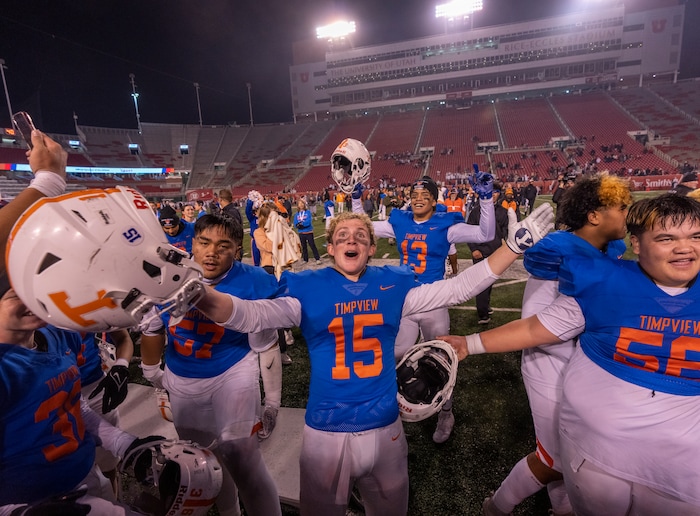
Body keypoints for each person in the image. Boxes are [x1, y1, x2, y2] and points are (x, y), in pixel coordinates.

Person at [193, 204, 554, 516]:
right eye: (344, 235)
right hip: (327, 432)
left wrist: (511, 247)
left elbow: (457, 288)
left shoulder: (392, 285)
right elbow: (248, 315)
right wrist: (197, 292)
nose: (352, 240)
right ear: (331, 247)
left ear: (371, 247)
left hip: (385, 427)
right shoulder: (306, 288)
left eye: (361, 236)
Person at [442, 194, 700, 515]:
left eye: (695, 236)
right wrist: (469, 344)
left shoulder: (608, 262)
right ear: (638, 242)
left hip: (678, 466)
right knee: (556, 464)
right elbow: (539, 327)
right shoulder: (603, 278)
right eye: (666, 238)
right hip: (594, 450)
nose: (684, 247)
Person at [0, 130, 162, 515]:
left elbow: (70, 407)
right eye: (11, 293)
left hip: (82, 476)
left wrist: (123, 444)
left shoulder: (51, 330)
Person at [479, 173, 632, 516]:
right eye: (621, 207)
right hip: (548, 357)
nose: (628, 213)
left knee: (576, 451)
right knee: (557, 457)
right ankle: (497, 505)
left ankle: (562, 507)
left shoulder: (611, 248)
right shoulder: (558, 248)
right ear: (594, 215)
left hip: (585, 361)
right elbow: (541, 270)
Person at [139, 212, 282, 516]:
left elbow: (265, 345)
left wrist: (272, 402)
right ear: (192, 242)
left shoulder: (254, 281)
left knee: (242, 457)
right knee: (205, 461)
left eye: (223, 246)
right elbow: (151, 328)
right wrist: (153, 374)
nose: (211, 252)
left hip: (232, 370)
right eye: (204, 242)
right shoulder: (164, 273)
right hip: (182, 375)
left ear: (237, 251)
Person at [373, 173, 496, 443]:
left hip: (434, 298)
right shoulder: (400, 221)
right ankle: (400, 402)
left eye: (424, 196)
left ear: (433, 200)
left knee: (440, 358)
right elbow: (367, 228)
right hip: (406, 298)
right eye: (414, 196)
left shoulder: (446, 225)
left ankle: (445, 412)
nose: (418, 199)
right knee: (397, 354)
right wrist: (356, 201)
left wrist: (486, 200)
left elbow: (486, 233)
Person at [467, 184, 510, 325]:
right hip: (480, 252)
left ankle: (485, 306)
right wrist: (474, 249)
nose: (492, 194)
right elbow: (468, 232)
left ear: (499, 194)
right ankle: (482, 314)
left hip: (496, 252)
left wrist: (505, 241)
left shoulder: (503, 212)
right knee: (481, 284)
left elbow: (505, 230)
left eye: (495, 192)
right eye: (489, 192)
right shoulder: (475, 212)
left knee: (490, 281)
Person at [294, 198, 321, 265]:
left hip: (308, 232)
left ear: (304, 204)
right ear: (297, 205)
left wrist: (303, 224)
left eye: (302, 203)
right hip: (301, 232)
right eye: (299, 204)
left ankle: (317, 258)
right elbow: (295, 223)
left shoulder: (308, 212)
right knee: (304, 246)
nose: (301, 205)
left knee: (312, 245)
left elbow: (308, 221)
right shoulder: (296, 214)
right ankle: (305, 259)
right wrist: (297, 225)